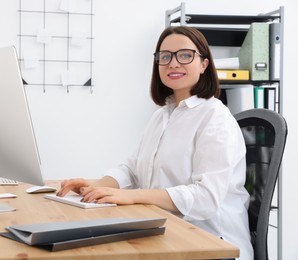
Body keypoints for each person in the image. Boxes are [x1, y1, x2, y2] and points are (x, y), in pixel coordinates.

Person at [57, 26, 253, 259]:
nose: (173, 63)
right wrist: (98, 186)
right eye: (165, 56)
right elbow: (133, 168)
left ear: (203, 64)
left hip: (211, 243)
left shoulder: (215, 118)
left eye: (185, 55)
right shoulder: (162, 115)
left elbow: (205, 198)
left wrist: (133, 196)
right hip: (166, 230)